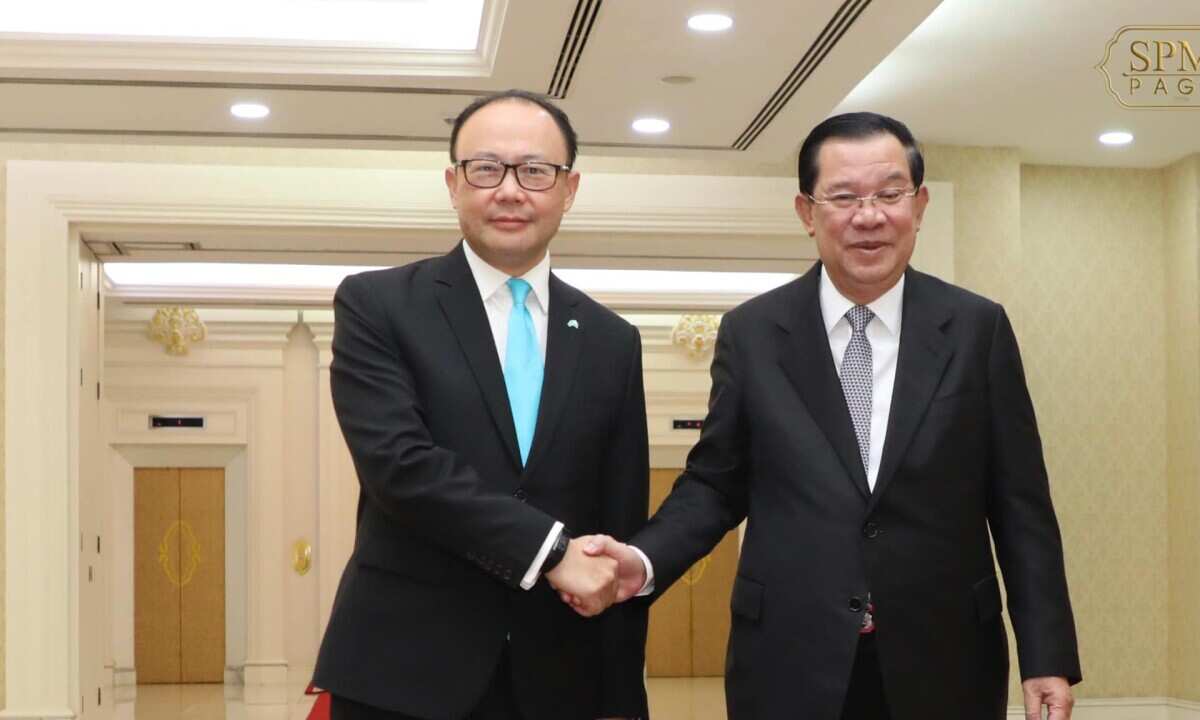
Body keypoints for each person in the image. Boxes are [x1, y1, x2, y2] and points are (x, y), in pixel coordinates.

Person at [582, 112, 1081, 719]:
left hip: (946, 658)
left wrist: (1046, 653)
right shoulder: (755, 333)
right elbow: (715, 484)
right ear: (806, 211)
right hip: (790, 660)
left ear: (919, 205)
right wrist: (642, 559)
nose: (868, 216)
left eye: (889, 194)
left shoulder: (977, 329)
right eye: (843, 196)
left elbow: (1021, 504)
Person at [313, 89, 650, 720]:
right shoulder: (378, 305)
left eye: (536, 170)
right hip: (403, 670)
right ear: (453, 183)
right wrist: (550, 551)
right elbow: (401, 468)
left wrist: (624, 696)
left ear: (569, 189)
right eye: (486, 168)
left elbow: (618, 515)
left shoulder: (612, 339)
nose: (511, 190)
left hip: (561, 675)